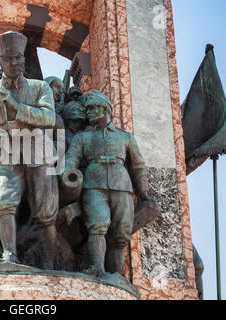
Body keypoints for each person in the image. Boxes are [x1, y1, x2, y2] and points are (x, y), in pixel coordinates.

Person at [0, 31, 59, 269]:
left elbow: (49, 118)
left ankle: (50, 263)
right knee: (2, 202)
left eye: (19, 58)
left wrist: (16, 106)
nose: (15, 63)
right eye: (9, 58)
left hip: (38, 154)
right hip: (7, 155)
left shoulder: (40, 87)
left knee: (45, 214)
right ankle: (10, 256)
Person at [63, 90, 149, 276]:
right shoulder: (82, 137)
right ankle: (98, 269)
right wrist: (69, 173)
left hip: (122, 185)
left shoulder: (125, 137)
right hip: (93, 185)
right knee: (98, 226)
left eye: (93, 108)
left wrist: (143, 191)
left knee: (121, 235)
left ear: (105, 109)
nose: (89, 113)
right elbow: (71, 159)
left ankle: (115, 276)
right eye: (88, 109)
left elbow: (138, 165)